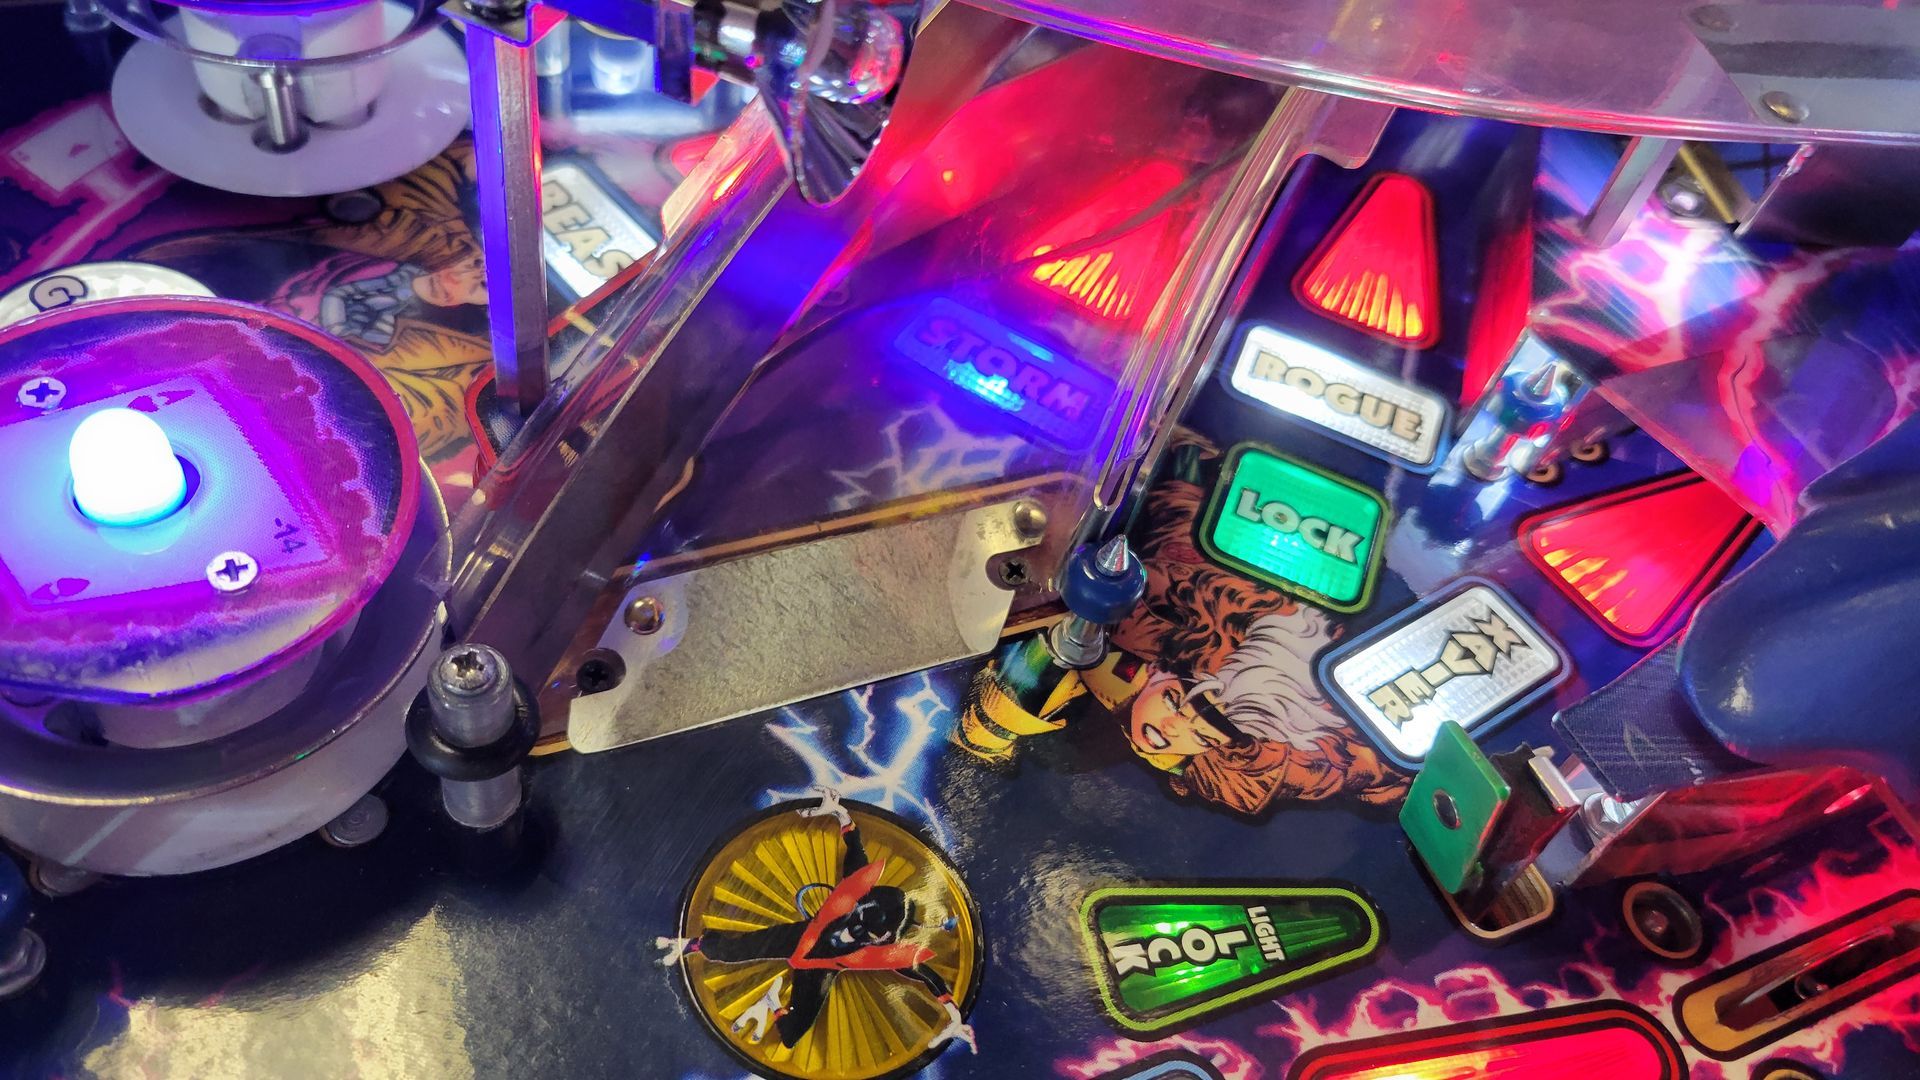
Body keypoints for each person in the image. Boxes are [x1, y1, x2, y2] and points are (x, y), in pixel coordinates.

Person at [657, 789, 977, 1054]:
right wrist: (838, 812)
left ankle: (773, 1003)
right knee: (735, 948)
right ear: (860, 901)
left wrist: (953, 1015)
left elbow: (931, 978)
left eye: (870, 932)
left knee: (791, 1035)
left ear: (884, 939)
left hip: (819, 971)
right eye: (860, 917)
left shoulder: (887, 954)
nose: (855, 931)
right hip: (804, 936)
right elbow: (854, 844)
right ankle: (688, 944)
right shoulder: (853, 888)